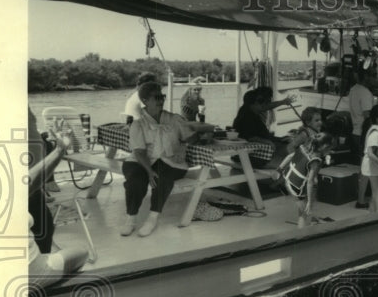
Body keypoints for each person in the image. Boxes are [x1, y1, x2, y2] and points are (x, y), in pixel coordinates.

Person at [121, 81, 216, 237]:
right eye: (156, 97)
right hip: (140, 161)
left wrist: (203, 134)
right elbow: (139, 152)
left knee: (162, 178)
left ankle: (152, 218)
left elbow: (190, 138)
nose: (161, 100)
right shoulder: (138, 124)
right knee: (135, 181)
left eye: (162, 96)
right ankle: (130, 219)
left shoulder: (174, 119)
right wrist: (149, 171)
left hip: (170, 161)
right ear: (144, 101)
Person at [27, 108, 89, 279]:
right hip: (33, 277)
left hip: (31, 190)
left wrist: (59, 149)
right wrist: (60, 149)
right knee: (81, 251)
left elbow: (27, 184)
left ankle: (46, 253)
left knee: (44, 226)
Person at [278, 107, 330, 225]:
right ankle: (302, 224)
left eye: (320, 120)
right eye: (316, 120)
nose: (320, 122)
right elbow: (290, 146)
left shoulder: (317, 133)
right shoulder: (305, 133)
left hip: (313, 170)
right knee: (304, 200)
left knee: (311, 196)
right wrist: (297, 159)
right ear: (308, 122)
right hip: (304, 173)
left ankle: (310, 218)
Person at [232, 88, 292, 168]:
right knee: (288, 148)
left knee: (286, 143)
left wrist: (279, 139)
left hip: (256, 147)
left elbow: (266, 107)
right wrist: (268, 141)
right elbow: (250, 137)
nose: (264, 104)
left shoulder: (249, 110)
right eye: (261, 102)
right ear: (252, 103)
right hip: (250, 153)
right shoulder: (247, 116)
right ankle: (284, 169)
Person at [348, 69, 378, 208]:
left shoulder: (354, 89)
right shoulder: (366, 92)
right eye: (374, 76)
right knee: (366, 168)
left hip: (355, 131)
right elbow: (368, 115)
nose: (376, 79)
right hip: (363, 133)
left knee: (363, 166)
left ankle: (363, 195)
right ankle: (360, 200)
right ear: (366, 76)